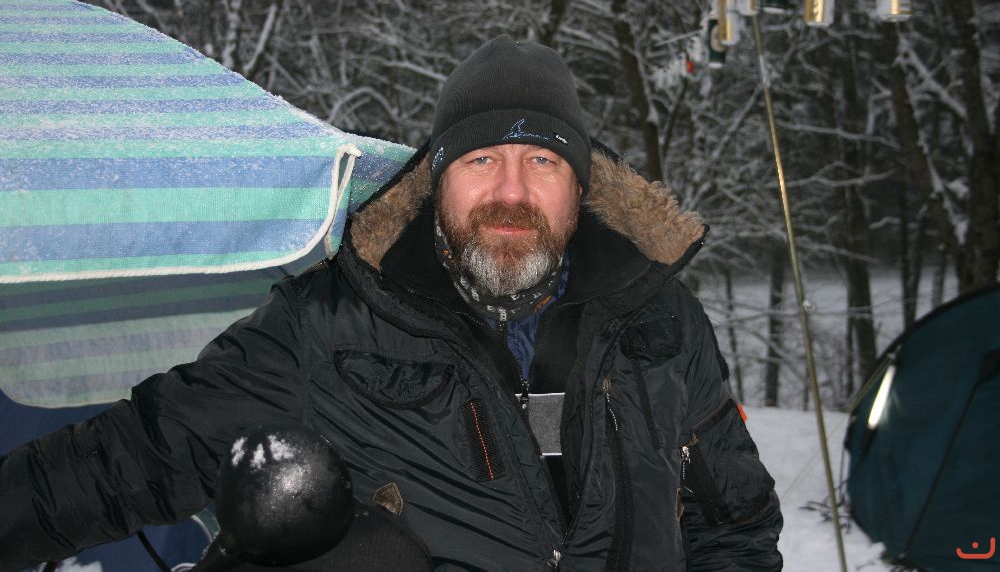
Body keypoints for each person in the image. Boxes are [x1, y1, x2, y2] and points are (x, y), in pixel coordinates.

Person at [0, 35, 782, 570]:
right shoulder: (330, 324)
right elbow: (143, 452)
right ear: (436, 181)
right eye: (482, 159)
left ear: (580, 185)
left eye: (542, 160)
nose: (511, 191)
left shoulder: (662, 322)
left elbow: (737, 519)